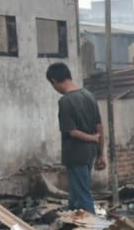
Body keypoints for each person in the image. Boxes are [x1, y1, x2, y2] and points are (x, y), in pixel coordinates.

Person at [45, 62, 105, 213]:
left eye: (52, 85)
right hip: (89, 153)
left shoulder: (65, 101)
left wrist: (93, 139)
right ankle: (72, 227)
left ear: (54, 81)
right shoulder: (89, 95)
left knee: (82, 195)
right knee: (76, 194)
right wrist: (101, 154)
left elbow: (72, 132)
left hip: (76, 153)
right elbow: (99, 127)